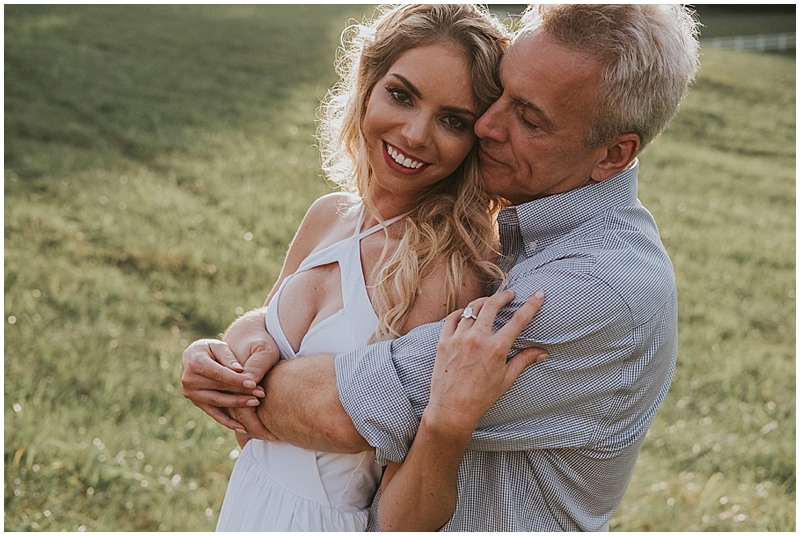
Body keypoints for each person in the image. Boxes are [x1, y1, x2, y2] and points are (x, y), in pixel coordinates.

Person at [182, 4, 701, 531]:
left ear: (613, 154)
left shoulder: (592, 287)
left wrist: (230, 386)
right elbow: (278, 332)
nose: (488, 126)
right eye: (498, 98)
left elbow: (342, 415)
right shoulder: (341, 216)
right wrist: (227, 347)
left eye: (528, 117)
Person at [194, 4, 532, 531]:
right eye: (401, 95)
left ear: (476, 139)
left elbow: (410, 509)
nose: (417, 134)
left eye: (452, 120)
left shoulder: (449, 274)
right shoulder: (329, 215)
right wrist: (211, 355)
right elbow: (264, 336)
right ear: (368, 85)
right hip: (249, 500)